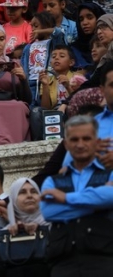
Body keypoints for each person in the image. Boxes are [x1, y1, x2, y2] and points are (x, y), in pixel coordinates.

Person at [41, 115, 113, 276]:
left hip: (105, 264)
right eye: (74, 139)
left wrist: (66, 198)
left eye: (86, 138)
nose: (80, 144)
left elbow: (111, 196)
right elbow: (48, 212)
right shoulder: (52, 181)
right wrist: (98, 203)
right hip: (64, 266)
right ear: (66, 144)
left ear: (96, 142)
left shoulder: (109, 174)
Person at [2, 178, 49, 276]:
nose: (29, 195)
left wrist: (40, 228)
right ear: (13, 199)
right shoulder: (3, 235)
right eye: (22, 192)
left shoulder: (55, 226)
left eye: (34, 191)